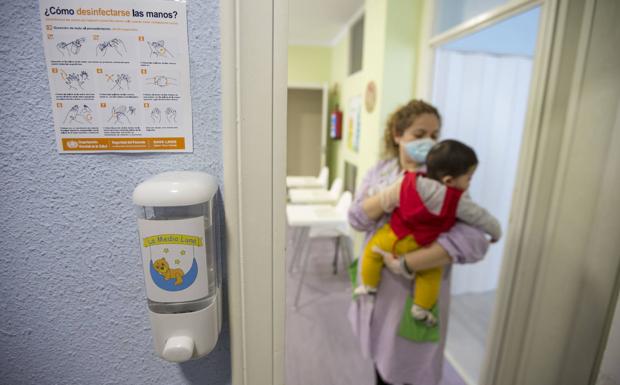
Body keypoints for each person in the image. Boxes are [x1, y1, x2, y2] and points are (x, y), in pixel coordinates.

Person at [347, 100, 491, 385]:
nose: (429, 142)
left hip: (413, 294)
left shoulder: (442, 181)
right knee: (379, 364)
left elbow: (476, 241)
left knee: (409, 370)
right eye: (419, 134)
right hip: (378, 291)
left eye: (435, 136)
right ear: (397, 135)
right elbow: (356, 218)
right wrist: (390, 195)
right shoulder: (381, 172)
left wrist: (410, 263)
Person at [354, 139, 502, 326]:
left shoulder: (407, 182)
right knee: (431, 274)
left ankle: (368, 285)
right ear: (448, 180)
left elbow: (384, 201)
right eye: (469, 178)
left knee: (372, 250)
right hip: (425, 244)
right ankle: (421, 307)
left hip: (395, 237)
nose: (469, 183)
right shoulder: (457, 201)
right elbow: (481, 218)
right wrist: (496, 231)